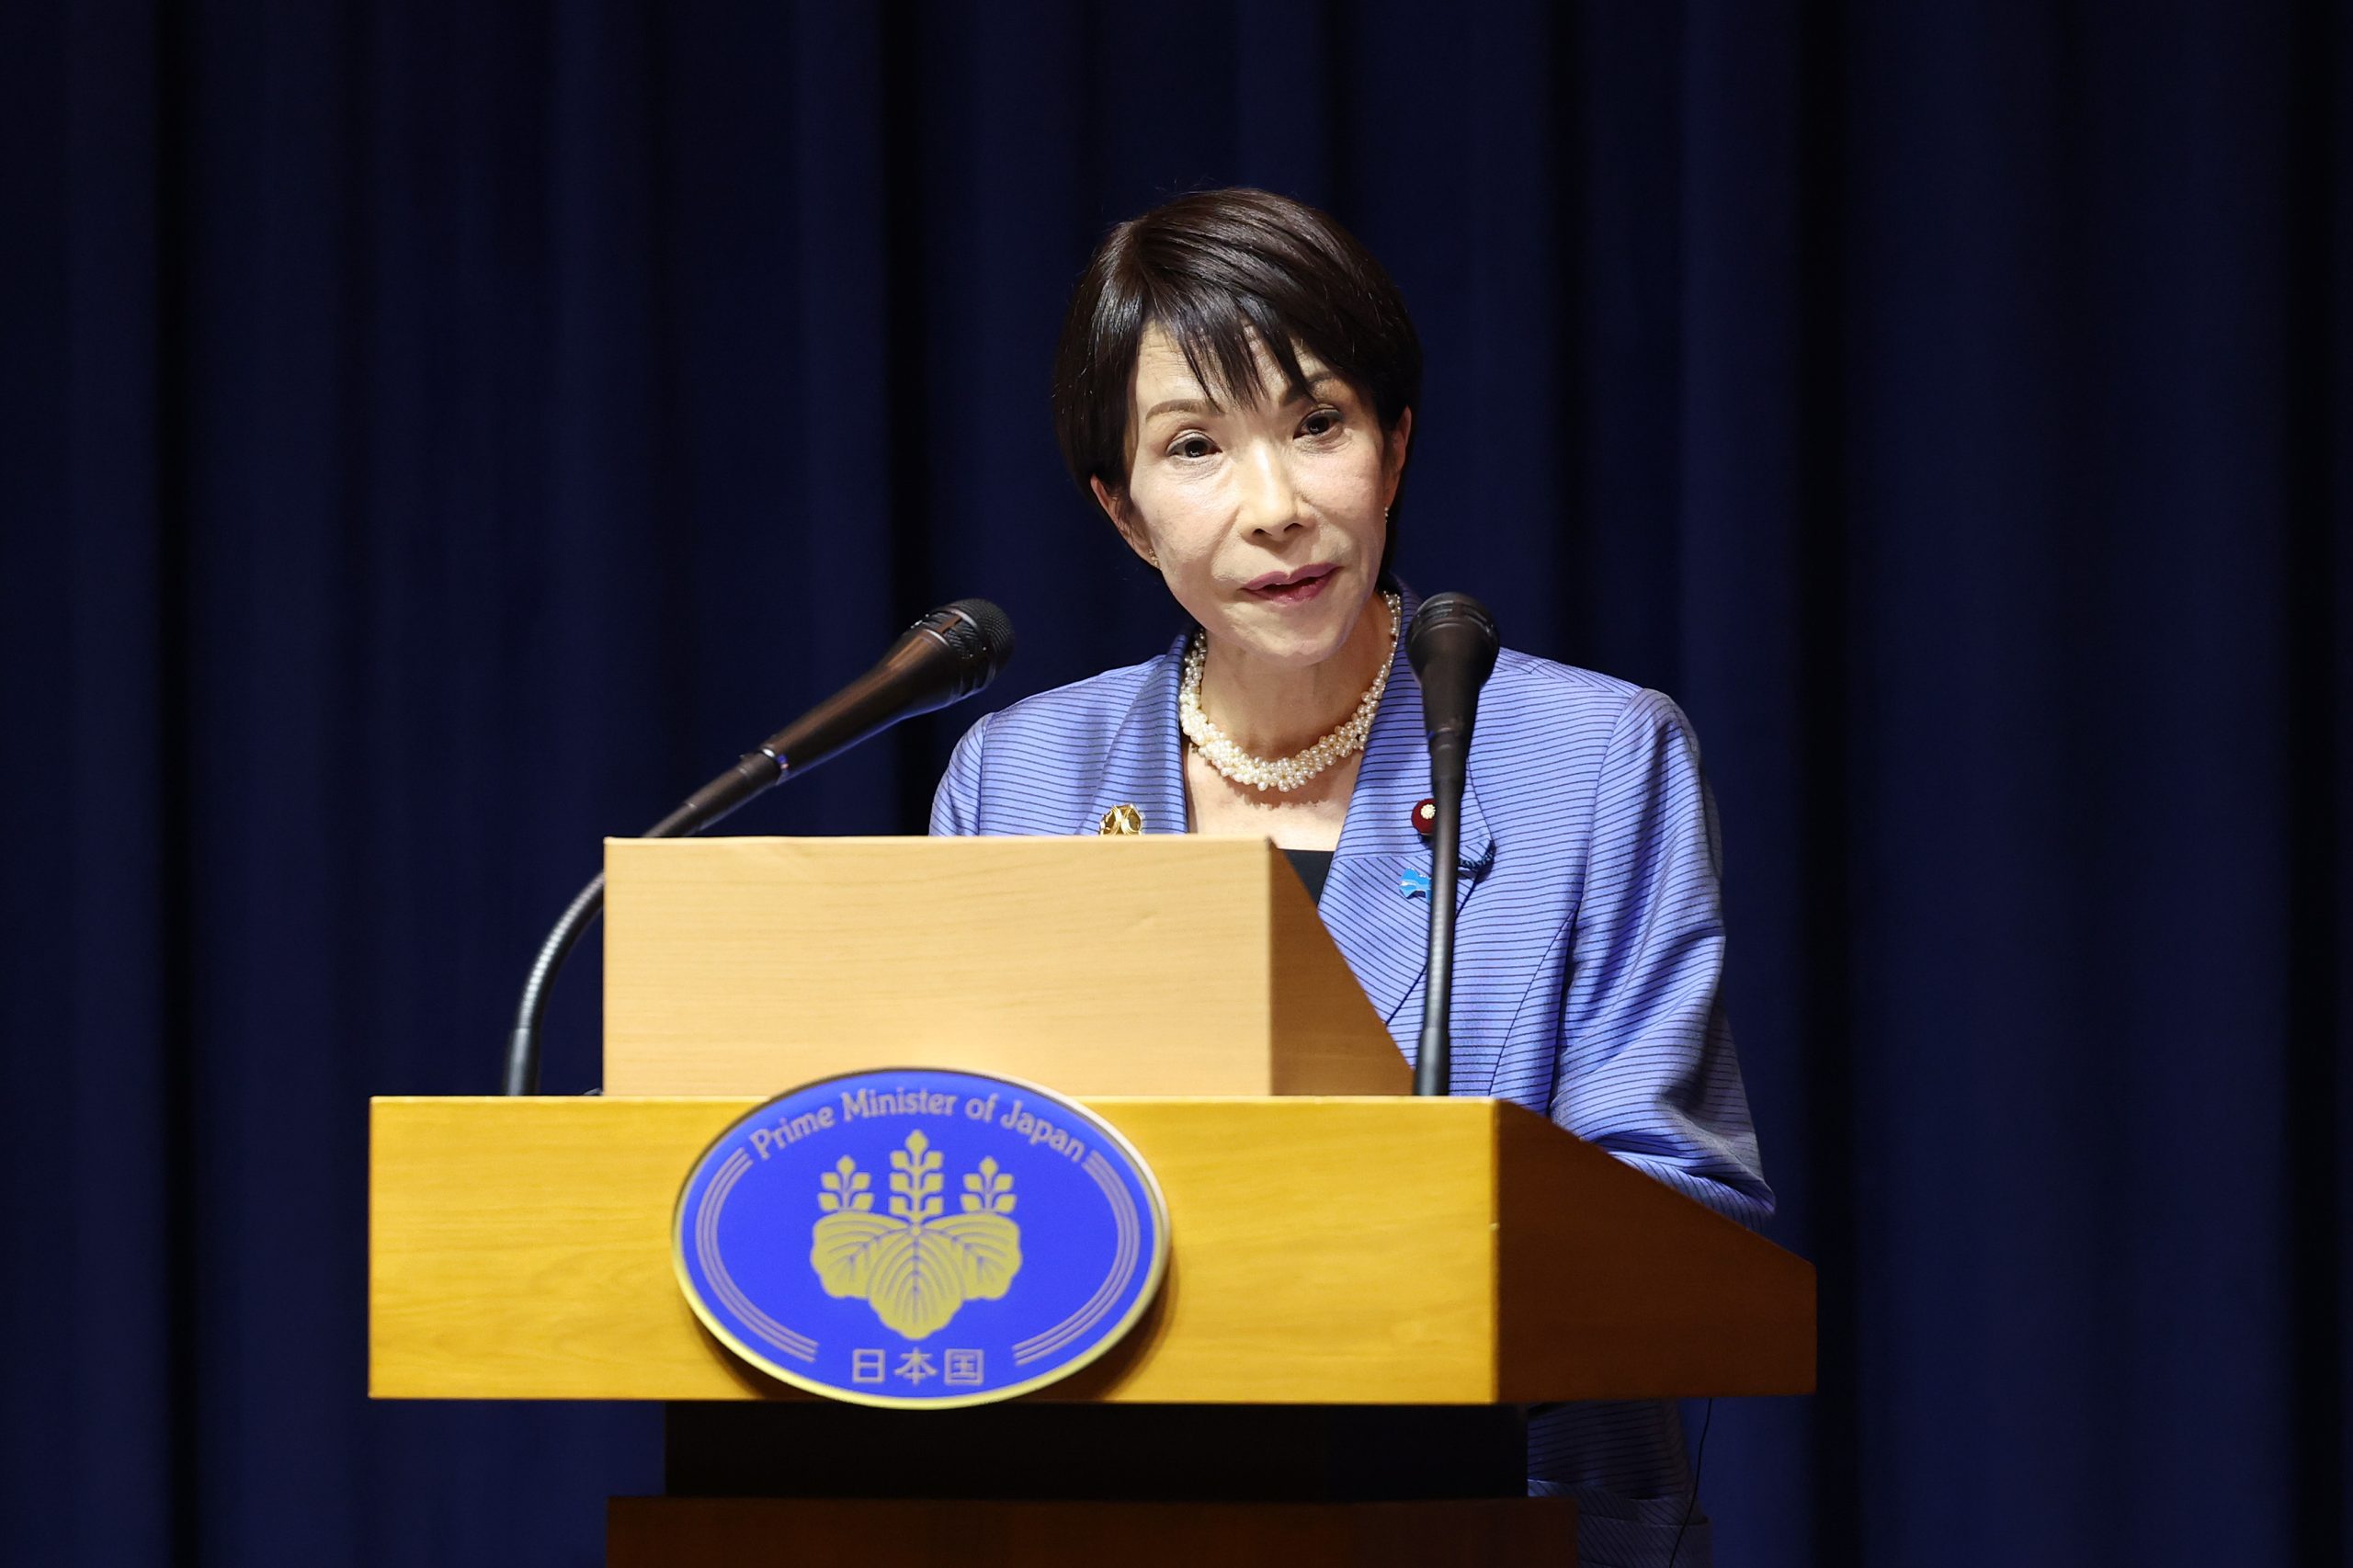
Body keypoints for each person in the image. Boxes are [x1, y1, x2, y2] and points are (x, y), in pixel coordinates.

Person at [930, 187, 1772, 1568]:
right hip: (1108, 1522)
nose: (1276, 507)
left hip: (1499, 1519)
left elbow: (1679, 1204)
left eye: (1317, 423)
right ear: (1124, 514)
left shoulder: (1594, 757)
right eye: (1195, 446)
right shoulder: (1016, 782)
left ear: (1395, 446)